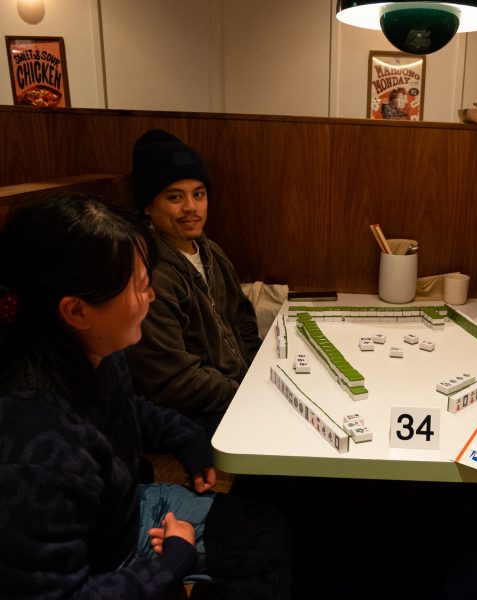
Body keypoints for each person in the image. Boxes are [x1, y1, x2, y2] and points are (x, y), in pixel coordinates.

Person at [0, 194, 289, 599]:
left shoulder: (93, 350)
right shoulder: (34, 451)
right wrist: (171, 561)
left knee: (272, 524)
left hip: (126, 512)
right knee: (263, 555)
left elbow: (124, 406)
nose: (151, 297)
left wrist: (186, 437)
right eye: (140, 287)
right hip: (107, 563)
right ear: (77, 311)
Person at [126, 129, 262, 437]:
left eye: (198, 194)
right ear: (148, 206)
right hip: (193, 412)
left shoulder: (210, 250)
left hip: (235, 391)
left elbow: (242, 320)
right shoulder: (151, 273)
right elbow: (172, 380)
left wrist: (258, 375)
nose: (191, 207)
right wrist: (243, 393)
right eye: (175, 197)